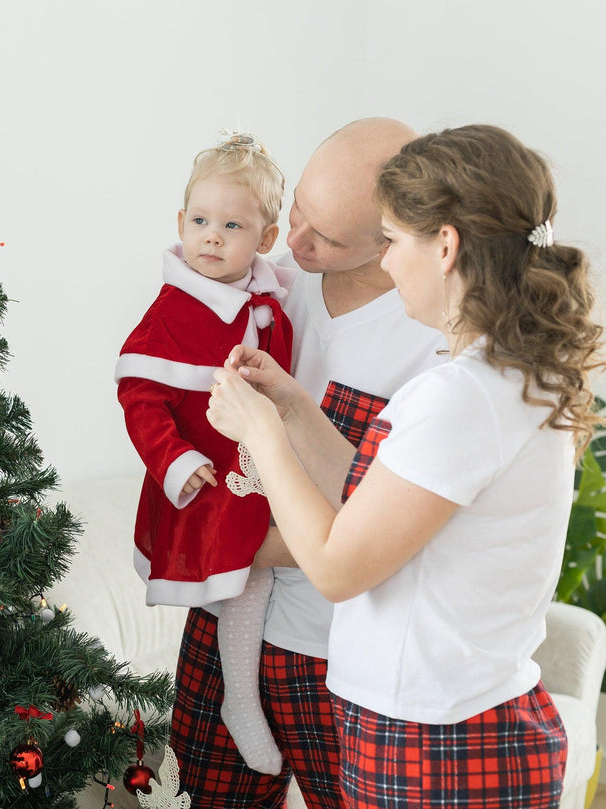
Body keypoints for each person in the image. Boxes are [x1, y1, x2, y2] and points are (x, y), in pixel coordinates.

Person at [207, 123, 603, 808]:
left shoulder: (460, 397)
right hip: (463, 724)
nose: (386, 266)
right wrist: (294, 406)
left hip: (435, 741)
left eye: (391, 241)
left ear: (444, 246)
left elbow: (336, 568)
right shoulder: (512, 376)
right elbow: (376, 498)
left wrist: (262, 434)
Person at [167, 118, 446, 809]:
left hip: (331, 652)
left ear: (391, 238)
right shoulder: (268, 288)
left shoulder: (431, 344)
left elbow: (388, 525)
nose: (294, 242)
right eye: (296, 213)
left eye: (327, 237)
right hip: (222, 620)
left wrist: (230, 543)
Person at [115, 132, 292, 774]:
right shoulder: (174, 309)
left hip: (261, 469)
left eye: (232, 226)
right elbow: (140, 393)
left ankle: (244, 693)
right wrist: (175, 461)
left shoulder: (270, 296)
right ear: (180, 223)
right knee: (248, 576)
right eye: (200, 222)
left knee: (261, 575)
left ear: (266, 238)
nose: (212, 238)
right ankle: (239, 700)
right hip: (209, 479)